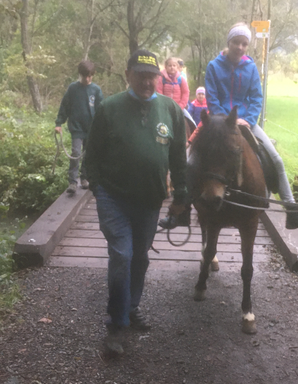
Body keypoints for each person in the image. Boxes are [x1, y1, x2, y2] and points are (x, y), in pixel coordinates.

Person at [159, 22, 298, 231]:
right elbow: (212, 97)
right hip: (218, 123)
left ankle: (293, 212)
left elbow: (256, 97)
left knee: (277, 160)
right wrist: (226, 119)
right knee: (190, 160)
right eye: (237, 42)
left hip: (246, 122)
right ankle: (181, 211)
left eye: (245, 43)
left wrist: (248, 119)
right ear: (229, 43)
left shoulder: (251, 68)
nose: (240, 47)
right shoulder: (214, 66)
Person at [85, 49, 187, 355]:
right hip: (113, 197)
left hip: (150, 200)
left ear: (158, 77)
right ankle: (116, 326)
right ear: (128, 75)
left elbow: (178, 158)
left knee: (140, 257)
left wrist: (182, 194)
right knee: (122, 255)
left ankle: (130, 308)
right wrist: (97, 187)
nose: (147, 81)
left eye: (151, 75)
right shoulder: (109, 107)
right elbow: (92, 155)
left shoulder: (170, 110)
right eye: (140, 75)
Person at [55, 60, 103, 194]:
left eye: (89, 76)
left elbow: (101, 110)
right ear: (80, 75)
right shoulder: (73, 88)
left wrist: (102, 126)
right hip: (76, 127)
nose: (87, 79)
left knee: (88, 155)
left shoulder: (96, 90)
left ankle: (84, 178)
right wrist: (59, 123)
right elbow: (64, 106)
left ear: (92, 75)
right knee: (76, 152)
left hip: (91, 129)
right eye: (84, 76)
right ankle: (72, 181)